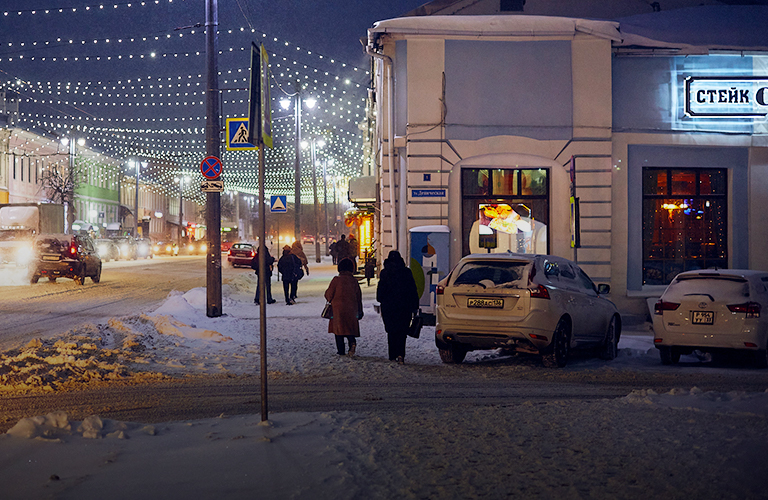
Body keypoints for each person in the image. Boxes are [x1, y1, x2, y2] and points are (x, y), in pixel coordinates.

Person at [376, 250, 419, 364]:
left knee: (391, 332)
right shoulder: (406, 272)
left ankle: (392, 355)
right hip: (404, 307)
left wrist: (382, 299)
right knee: (402, 332)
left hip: (389, 308)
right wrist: (415, 306)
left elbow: (380, 292)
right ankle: (401, 355)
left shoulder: (385, 273)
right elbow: (412, 290)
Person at [324, 258, 363, 356]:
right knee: (350, 328)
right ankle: (352, 343)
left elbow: (329, 295)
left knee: (338, 330)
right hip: (351, 308)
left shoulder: (336, 280)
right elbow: (358, 296)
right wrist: (359, 309)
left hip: (338, 309)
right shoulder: (354, 281)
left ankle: (341, 350)